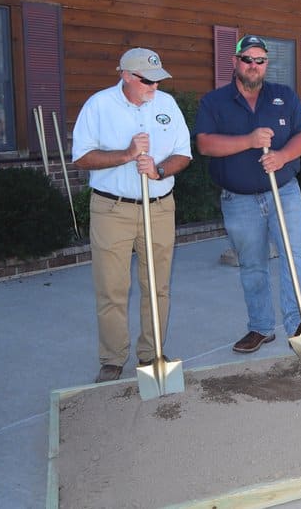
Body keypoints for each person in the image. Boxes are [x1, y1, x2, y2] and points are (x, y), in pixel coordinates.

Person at [195, 35, 301, 355]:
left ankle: (299, 324)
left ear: (267, 64)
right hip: (239, 201)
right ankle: (261, 327)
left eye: (260, 60)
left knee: (294, 259)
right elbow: (205, 145)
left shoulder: (284, 96)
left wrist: (282, 157)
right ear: (235, 62)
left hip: (284, 193)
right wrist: (250, 140)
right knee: (253, 266)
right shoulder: (214, 102)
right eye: (247, 59)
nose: (253, 66)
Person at [71, 47, 192, 383]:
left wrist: (160, 170)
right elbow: (81, 156)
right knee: (112, 287)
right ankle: (112, 358)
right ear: (125, 75)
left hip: (159, 207)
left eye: (157, 79)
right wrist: (126, 154)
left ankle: (152, 354)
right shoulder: (99, 105)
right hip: (113, 209)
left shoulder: (166, 105)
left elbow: (184, 153)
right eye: (146, 80)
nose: (154, 87)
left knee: (158, 286)